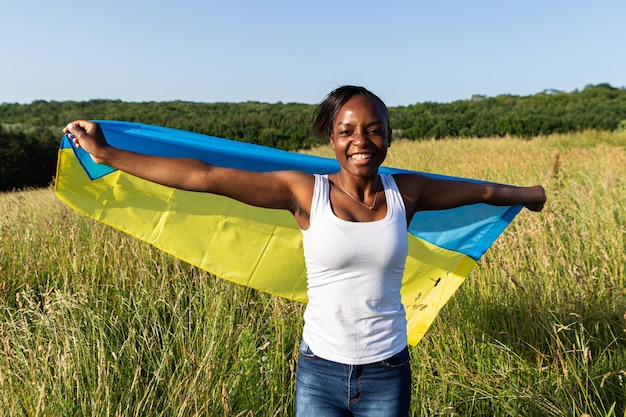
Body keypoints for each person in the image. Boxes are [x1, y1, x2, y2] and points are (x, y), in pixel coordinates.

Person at [64, 85, 546, 417]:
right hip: (320, 371)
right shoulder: (303, 192)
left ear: (388, 135)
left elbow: (479, 193)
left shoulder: (409, 192)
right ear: (332, 138)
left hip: (388, 371)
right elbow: (204, 176)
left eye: (374, 129)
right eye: (347, 131)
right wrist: (107, 155)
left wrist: (529, 194)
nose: (362, 141)